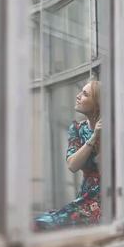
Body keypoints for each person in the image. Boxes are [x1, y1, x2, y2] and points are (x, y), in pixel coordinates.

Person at [35, 81, 102, 230]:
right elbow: (72, 165)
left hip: (106, 197)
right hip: (85, 195)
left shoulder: (112, 130)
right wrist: (93, 137)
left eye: (85, 94)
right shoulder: (77, 128)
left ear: (97, 103)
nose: (78, 96)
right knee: (42, 222)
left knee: (51, 224)